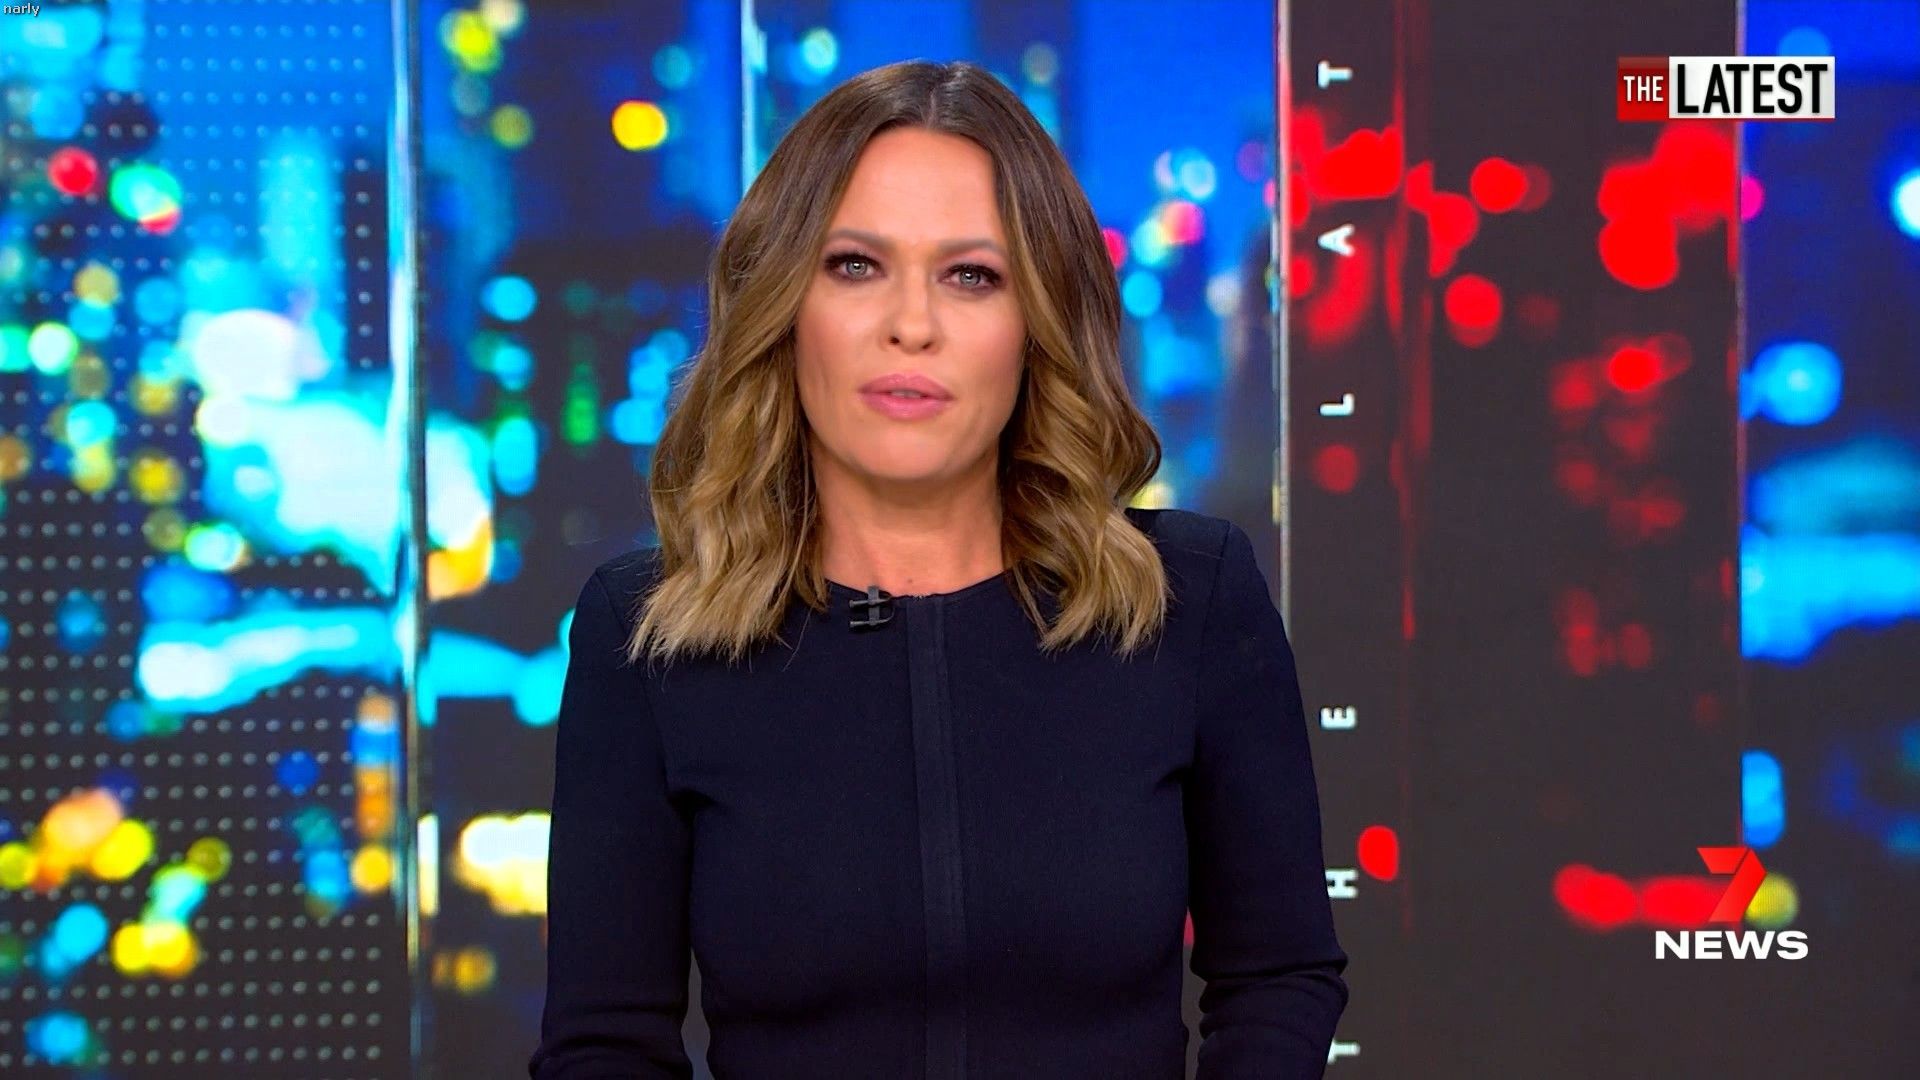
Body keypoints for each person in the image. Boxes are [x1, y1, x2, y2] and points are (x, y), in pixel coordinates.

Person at [529, 59, 1348, 1080]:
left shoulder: (1191, 598)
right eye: (854, 265)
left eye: (971, 276)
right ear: (784, 306)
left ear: (1036, 323)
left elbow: (1279, 976)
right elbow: (604, 1046)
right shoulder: (646, 633)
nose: (910, 324)